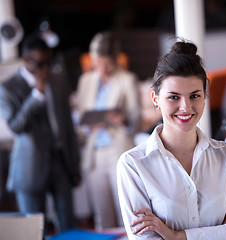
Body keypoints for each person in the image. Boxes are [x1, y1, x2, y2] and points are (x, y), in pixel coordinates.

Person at [117, 40, 226, 240]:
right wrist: (222, 231)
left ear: (205, 96)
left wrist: (175, 236)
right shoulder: (133, 165)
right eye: (174, 97)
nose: (186, 107)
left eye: (194, 96)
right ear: (155, 99)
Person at [0, 34, 81, 232]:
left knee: (68, 226)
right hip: (29, 165)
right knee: (33, 230)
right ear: (26, 60)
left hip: (60, 161)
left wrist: (74, 164)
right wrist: (37, 94)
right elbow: (16, 126)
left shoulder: (59, 80)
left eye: (48, 62)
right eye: (40, 63)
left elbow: (68, 126)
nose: (45, 68)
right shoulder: (8, 88)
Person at [74, 31, 141, 230]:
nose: (102, 69)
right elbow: (80, 124)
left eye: (107, 64)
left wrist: (124, 120)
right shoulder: (85, 81)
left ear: (115, 60)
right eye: (98, 63)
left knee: (126, 215)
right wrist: (87, 127)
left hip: (118, 151)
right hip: (94, 154)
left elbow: (136, 122)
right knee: (102, 217)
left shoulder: (127, 79)